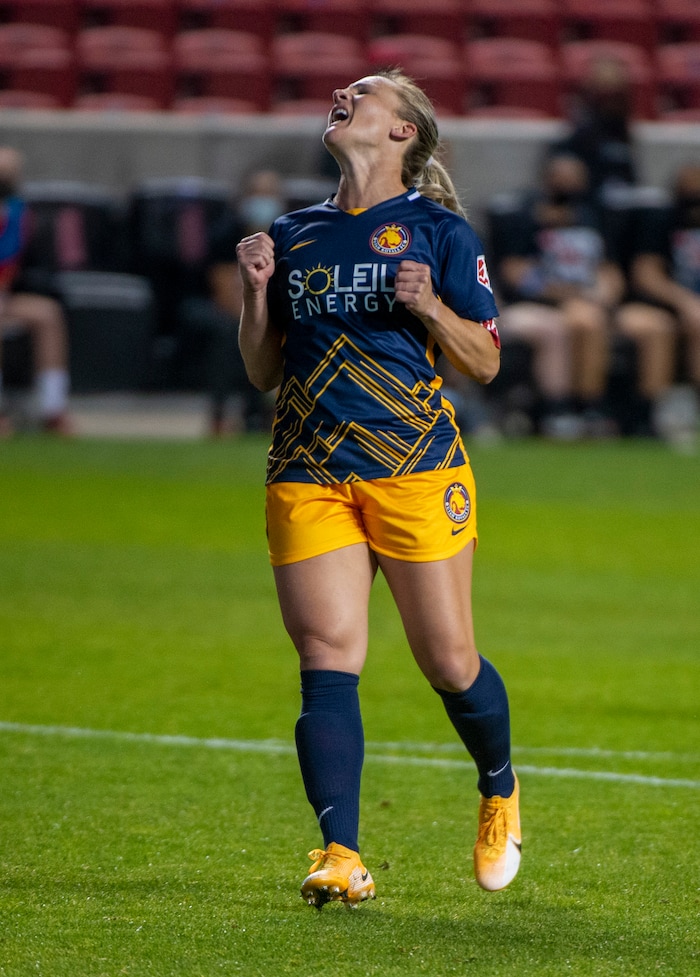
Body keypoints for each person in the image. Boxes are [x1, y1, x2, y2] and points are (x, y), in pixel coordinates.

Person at [236, 69, 520, 909]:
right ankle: (340, 852)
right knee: (325, 657)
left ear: (403, 132)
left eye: (362, 93)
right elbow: (261, 369)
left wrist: (431, 306)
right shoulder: (293, 232)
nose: (342, 96)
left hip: (415, 466)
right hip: (308, 465)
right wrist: (255, 296)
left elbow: (487, 361)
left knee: (449, 661)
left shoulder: (439, 231)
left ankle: (499, 785)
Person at [491, 152, 675, 437]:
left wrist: (605, 294)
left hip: (593, 302)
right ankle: (580, 408)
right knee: (584, 320)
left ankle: (646, 415)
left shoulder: (593, 218)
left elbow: (609, 270)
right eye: (562, 178)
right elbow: (516, 272)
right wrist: (564, 295)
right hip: (542, 302)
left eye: (575, 178)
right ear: (547, 179)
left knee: (657, 326)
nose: (569, 185)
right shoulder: (526, 217)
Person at [0, 146, 72, 436]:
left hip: (6, 294)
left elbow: (13, 258)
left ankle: (52, 410)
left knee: (48, 314)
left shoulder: (18, 212)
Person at [629, 162, 700, 401]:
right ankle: (653, 409)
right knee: (663, 328)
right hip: (658, 306)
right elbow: (646, 274)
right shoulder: (660, 220)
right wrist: (686, 302)